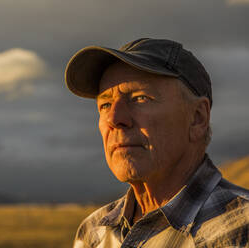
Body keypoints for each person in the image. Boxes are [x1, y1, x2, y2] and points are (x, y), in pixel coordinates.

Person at [64, 38, 249, 248]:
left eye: (140, 98)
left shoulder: (242, 230)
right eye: (105, 104)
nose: (115, 119)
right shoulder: (93, 232)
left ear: (198, 118)